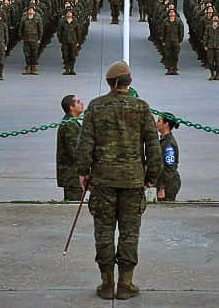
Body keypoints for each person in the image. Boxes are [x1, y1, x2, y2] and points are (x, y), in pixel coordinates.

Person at [76, 61, 160, 301]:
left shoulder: (95, 107)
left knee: (103, 231)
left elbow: (85, 145)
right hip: (133, 181)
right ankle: (125, 284)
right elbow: (152, 146)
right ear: (129, 82)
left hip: (102, 180)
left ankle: (106, 284)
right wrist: (152, 176)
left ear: (109, 83)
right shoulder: (142, 108)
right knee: (129, 233)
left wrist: (83, 173)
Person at [56, 94, 84, 201]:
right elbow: (75, 152)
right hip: (72, 176)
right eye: (78, 102)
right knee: (73, 205)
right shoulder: (69, 125)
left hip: (73, 175)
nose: (81, 103)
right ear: (71, 107)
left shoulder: (72, 122)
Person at [155, 114, 181, 201]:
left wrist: (162, 188)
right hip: (163, 182)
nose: (156, 123)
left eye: (159, 121)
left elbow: (169, 167)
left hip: (169, 184)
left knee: (165, 210)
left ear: (166, 124)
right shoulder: (163, 140)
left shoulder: (169, 144)